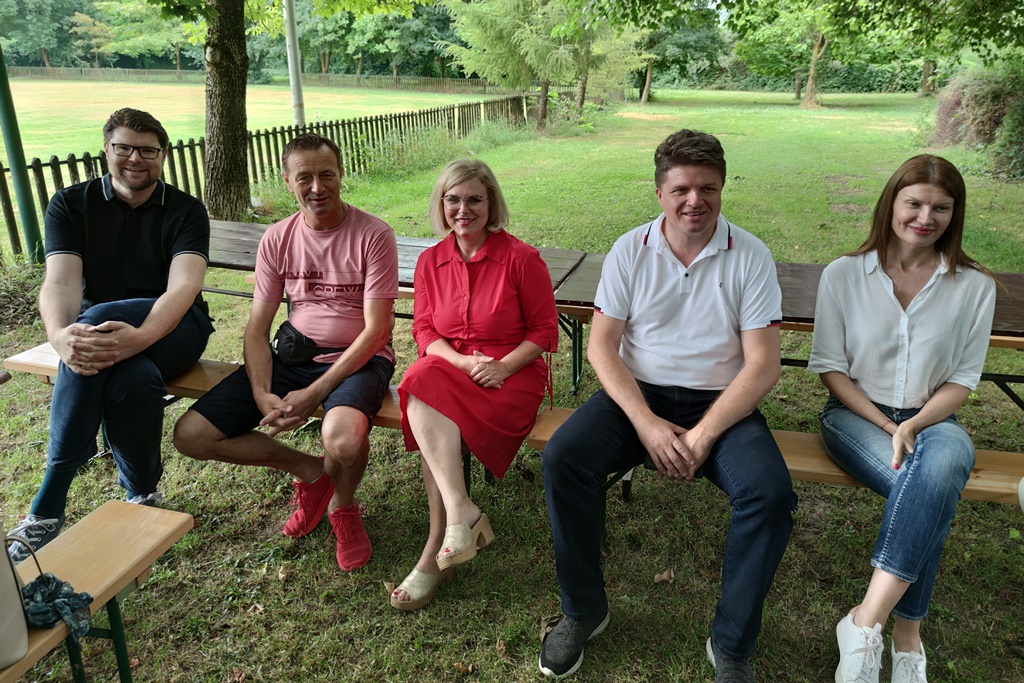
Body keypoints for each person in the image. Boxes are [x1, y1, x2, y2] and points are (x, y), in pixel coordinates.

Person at [538, 129, 797, 683]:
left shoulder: (750, 255)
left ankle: (732, 643)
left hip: (721, 402)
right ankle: (583, 610)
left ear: (722, 189)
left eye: (708, 188)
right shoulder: (630, 249)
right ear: (659, 192)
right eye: (681, 189)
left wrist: (702, 436)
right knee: (564, 457)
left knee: (769, 493)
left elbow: (762, 365)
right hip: (640, 395)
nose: (694, 201)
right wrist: (648, 425)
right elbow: (602, 347)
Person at [807, 155, 997, 683]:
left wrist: (913, 424)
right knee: (931, 492)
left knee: (938, 472)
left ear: (955, 214)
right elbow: (831, 368)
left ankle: (866, 621)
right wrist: (890, 426)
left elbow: (963, 378)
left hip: (934, 420)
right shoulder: (845, 274)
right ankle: (908, 636)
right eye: (914, 203)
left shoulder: (974, 287)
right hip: (855, 417)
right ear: (891, 203)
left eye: (941, 208)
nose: (925, 217)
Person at [173, 133, 398, 572]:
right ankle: (312, 474)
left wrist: (315, 392)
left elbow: (377, 332)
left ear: (341, 174)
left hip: (359, 360)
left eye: (326, 174)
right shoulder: (278, 238)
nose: (317, 187)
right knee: (191, 435)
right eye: (304, 177)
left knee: (343, 439)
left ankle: (342, 505)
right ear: (287, 180)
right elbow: (257, 329)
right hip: (294, 354)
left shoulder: (373, 234)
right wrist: (261, 393)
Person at [6, 108, 214, 563]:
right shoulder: (70, 204)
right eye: (124, 148)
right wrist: (59, 336)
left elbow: (183, 288)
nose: (135, 159)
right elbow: (60, 282)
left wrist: (138, 337)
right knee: (131, 376)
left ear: (162, 156)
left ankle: (48, 504)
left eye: (148, 151)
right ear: (106, 150)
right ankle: (143, 493)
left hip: (176, 329)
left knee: (98, 318)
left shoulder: (185, 210)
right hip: (100, 339)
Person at [389, 159, 558, 611]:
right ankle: (460, 513)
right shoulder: (430, 261)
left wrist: (501, 367)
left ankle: (436, 551)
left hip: (511, 376)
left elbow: (544, 331)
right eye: (453, 200)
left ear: (491, 203)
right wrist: (463, 362)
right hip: (454, 368)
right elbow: (425, 331)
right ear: (441, 204)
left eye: (474, 200)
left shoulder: (521, 259)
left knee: (431, 424)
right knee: (420, 379)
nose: (463, 210)